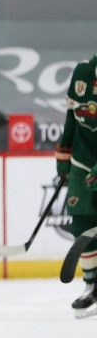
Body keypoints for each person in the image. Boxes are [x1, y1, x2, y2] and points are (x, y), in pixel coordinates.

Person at [57, 54, 97, 319]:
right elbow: (72, 119)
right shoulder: (82, 73)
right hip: (83, 162)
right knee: (81, 223)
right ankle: (92, 284)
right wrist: (63, 162)